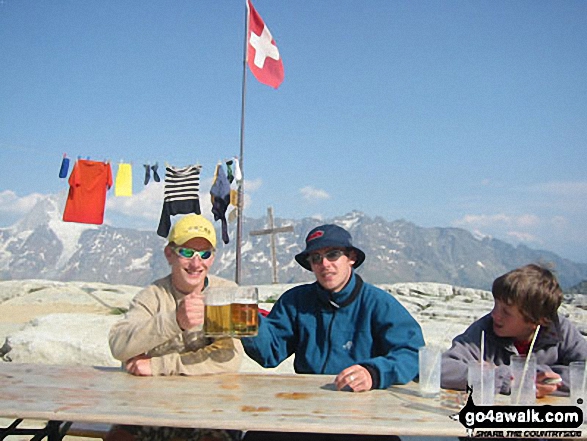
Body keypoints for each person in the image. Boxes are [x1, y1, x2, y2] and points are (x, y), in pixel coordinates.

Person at [241, 224, 424, 441]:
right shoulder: (295, 301)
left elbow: (414, 353)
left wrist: (374, 373)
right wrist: (249, 323)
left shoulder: (378, 303)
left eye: (333, 254)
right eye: (316, 258)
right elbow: (269, 353)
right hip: (306, 410)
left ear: (351, 258)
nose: (324, 264)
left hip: (366, 416)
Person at [107, 214, 242, 441]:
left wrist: (157, 365)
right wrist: (175, 321)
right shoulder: (153, 295)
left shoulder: (225, 293)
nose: (196, 263)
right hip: (153, 409)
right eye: (187, 253)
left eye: (204, 254)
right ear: (169, 254)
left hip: (212, 408)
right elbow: (119, 344)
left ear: (213, 258)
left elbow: (229, 357)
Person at [441, 263, 587, 398]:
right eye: (496, 305)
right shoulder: (484, 329)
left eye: (506, 312)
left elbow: (584, 372)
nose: (495, 315)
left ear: (536, 321)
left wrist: (539, 379)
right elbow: (444, 367)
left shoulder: (560, 331)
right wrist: (506, 379)